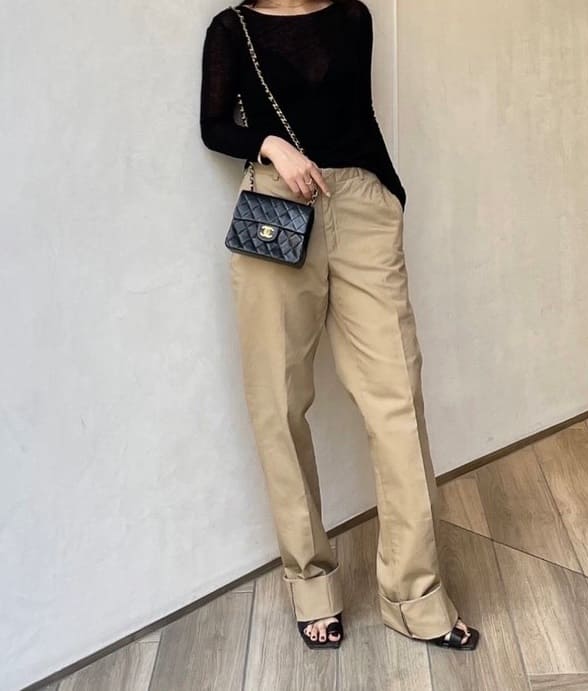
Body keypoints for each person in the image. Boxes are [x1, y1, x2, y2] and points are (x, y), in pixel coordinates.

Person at [200, 0, 480, 651]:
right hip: (274, 209)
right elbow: (212, 126)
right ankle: (311, 584)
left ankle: (416, 596)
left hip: (360, 206)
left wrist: (389, 196)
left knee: (396, 397)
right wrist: (270, 144)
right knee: (277, 401)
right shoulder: (232, 29)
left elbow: (361, 113)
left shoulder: (354, 16)